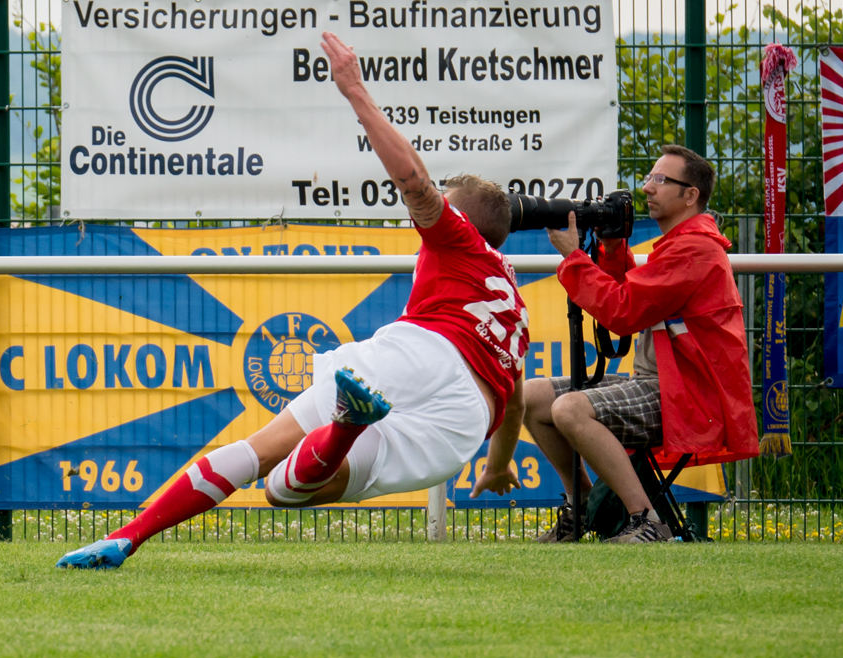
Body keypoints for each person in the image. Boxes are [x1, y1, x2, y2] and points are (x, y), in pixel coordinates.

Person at [56, 32, 528, 569]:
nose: (433, 208)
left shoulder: (456, 237)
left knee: (260, 458)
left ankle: (132, 533)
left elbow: (415, 183)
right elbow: (511, 398)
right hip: (462, 422)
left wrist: (354, 90)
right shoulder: (513, 297)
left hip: (424, 354)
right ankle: (342, 429)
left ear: (462, 216)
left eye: (446, 203)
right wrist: (497, 463)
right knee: (285, 489)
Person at [472, 145, 758, 543]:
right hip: (663, 385)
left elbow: (622, 312)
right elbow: (633, 294)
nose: (647, 189)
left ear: (690, 195)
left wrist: (574, 257)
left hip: (690, 395)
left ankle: (647, 521)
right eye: (648, 178)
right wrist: (611, 247)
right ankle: (583, 503)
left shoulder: (695, 249)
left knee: (570, 409)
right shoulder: (678, 246)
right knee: (534, 397)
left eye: (660, 180)